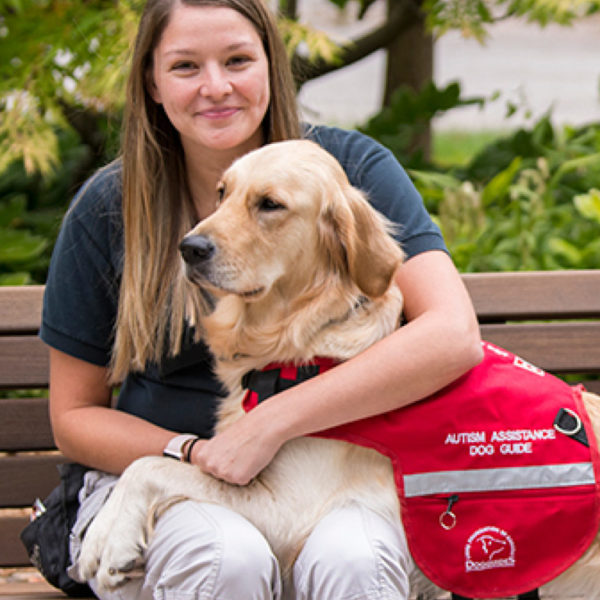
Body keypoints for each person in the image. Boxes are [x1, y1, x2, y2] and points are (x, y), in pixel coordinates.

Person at [41, 0, 483, 598]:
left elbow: (451, 334)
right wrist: (192, 453)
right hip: (173, 481)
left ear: (271, 68)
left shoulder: (346, 171)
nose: (215, 87)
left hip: (337, 474)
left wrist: (268, 424)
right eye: (185, 67)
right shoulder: (111, 207)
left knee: (354, 556)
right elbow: (73, 417)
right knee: (228, 555)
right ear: (152, 82)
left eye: (237, 60)